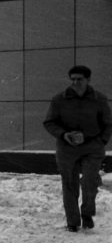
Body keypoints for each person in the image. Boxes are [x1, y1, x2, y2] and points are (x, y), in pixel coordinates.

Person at [43, 65, 111, 232]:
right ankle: (72, 221)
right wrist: (64, 135)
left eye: (79, 79)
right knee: (69, 183)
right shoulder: (59, 99)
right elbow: (49, 122)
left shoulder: (99, 99)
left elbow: (108, 123)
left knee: (90, 181)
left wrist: (101, 141)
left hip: (92, 146)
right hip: (67, 147)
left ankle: (87, 213)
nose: (75, 82)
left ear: (88, 80)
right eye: (72, 79)